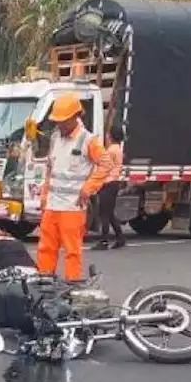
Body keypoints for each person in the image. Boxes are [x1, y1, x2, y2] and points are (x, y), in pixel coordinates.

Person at [36, 93, 112, 280]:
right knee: (46, 248)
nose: (59, 124)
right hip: (52, 206)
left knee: (72, 251)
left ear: (75, 117)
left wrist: (88, 188)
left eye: (63, 121)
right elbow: (50, 169)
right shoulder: (55, 137)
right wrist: (44, 195)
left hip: (72, 207)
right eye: (57, 121)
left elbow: (106, 163)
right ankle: (43, 285)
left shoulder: (88, 140)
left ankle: (72, 287)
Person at [92, 123, 126, 251]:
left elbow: (103, 165)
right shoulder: (118, 149)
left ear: (111, 135)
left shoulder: (111, 150)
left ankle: (104, 241)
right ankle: (120, 237)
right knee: (110, 213)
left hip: (108, 183)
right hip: (114, 183)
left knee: (103, 214)